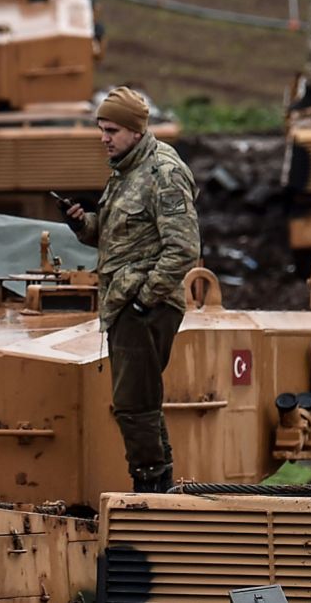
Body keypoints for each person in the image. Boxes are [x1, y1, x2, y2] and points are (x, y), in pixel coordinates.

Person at [63, 86, 199, 493]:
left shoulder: (164, 173)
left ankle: (149, 486)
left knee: (132, 405)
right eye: (101, 129)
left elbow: (184, 249)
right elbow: (113, 237)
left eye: (112, 130)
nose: (103, 138)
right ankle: (160, 480)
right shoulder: (126, 170)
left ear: (136, 131)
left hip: (145, 306)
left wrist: (145, 298)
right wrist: (80, 223)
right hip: (126, 302)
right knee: (141, 400)